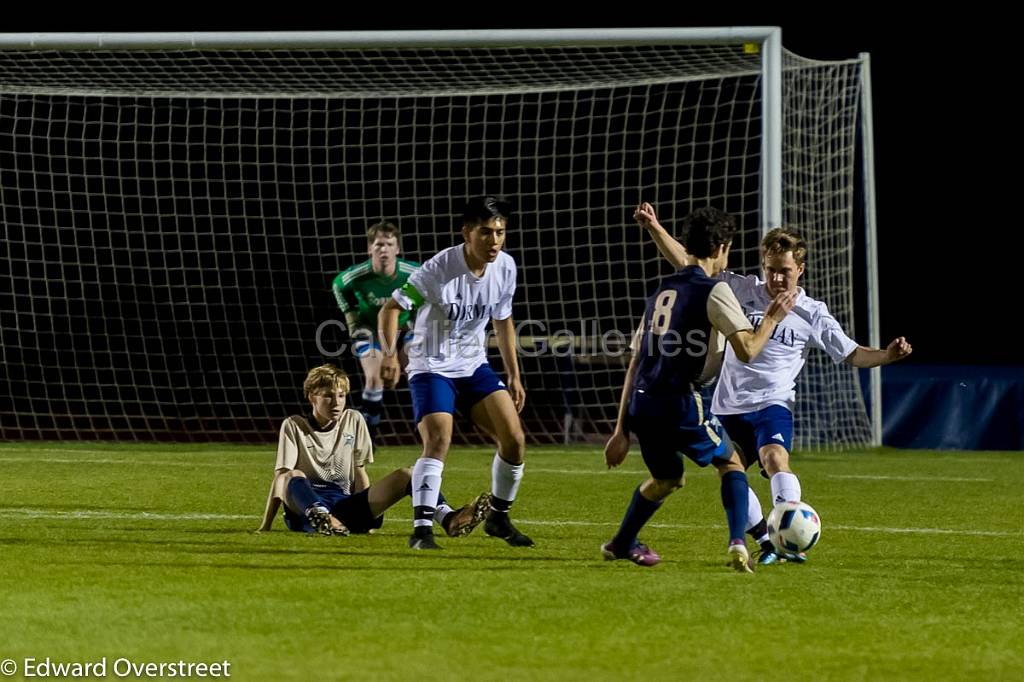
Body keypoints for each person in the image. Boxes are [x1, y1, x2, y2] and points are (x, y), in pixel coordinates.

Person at [634, 202, 912, 564]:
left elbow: (852, 354)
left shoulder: (812, 313)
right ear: (762, 265)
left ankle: (787, 536)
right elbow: (689, 263)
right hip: (727, 403)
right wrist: (655, 227)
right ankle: (769, 542)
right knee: (730, 473)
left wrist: (887, 356)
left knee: (775, 457)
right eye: (770, 271)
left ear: (800, 269)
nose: (777, 279)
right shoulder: (739, 288)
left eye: (784, 272)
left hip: (772, 404)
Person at [603, 206, 797, 572]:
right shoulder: (715, 290)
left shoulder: (662, 290)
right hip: (680, 401)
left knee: (667, 478)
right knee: (731, 462)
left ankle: (621, 543)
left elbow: (636, 361)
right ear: (722, 247)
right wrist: (771, 317)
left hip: (642, 404)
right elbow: (749, 349)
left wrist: (620, 431)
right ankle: (739, 543)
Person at [378, 196, 532, 550]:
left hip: (473, 365)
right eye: (485, 232)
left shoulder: (506, 267)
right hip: (430, 366)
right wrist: (389, 354)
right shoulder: (438, 269)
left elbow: (503, 320)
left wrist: (514, 374)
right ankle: (421, 531)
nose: (494, 241)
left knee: (515, 440)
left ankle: (498, 517)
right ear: (466, 233)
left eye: (500, 233)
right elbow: (390, 309)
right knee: (438, 440)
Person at [257, 364, 489, 538]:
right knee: (293, 475)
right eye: (327, 396)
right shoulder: (294, 424)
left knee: (409, 474)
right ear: (311, 397)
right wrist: (265, 525)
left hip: (343, 505)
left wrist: (369, 512)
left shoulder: (354, 419)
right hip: (303, 508)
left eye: (340, 395)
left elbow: (359, 470)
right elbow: (282, 478)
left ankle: (449, 518)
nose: (336, 402)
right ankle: (322, 517)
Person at [332, 221, 419, 445]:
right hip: (370, 330)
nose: (384, 249)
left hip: (405, 328)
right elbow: (338, 285)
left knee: (419, 371)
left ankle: (424, 425)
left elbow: (429, 296)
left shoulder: (413, 273)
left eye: (389, 244)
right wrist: (350, 315)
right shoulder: (355, 277)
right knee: (374, 377)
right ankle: (367, 435)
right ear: (370, 248)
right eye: (379, 244)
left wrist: (419, 326)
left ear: (397, 249)